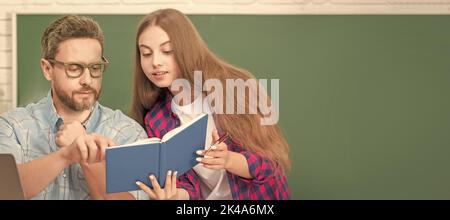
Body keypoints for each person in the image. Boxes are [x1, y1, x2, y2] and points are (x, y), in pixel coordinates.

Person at [131, 8, 291, 200]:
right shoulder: (156, 119)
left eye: (167, 51)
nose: (155, 62)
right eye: (146, 54)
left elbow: (271, 164)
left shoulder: (236, 88)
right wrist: (172, 196)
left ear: (186, 48)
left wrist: (229, 160)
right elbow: (187, 187)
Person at [0, 15, 148, 200]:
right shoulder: (12, 126)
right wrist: (66, 155)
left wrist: (86, 154)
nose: (87, 80)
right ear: (47, 69)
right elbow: (4, 192)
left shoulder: (128, 133)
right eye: (74, 68)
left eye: (95, 67)